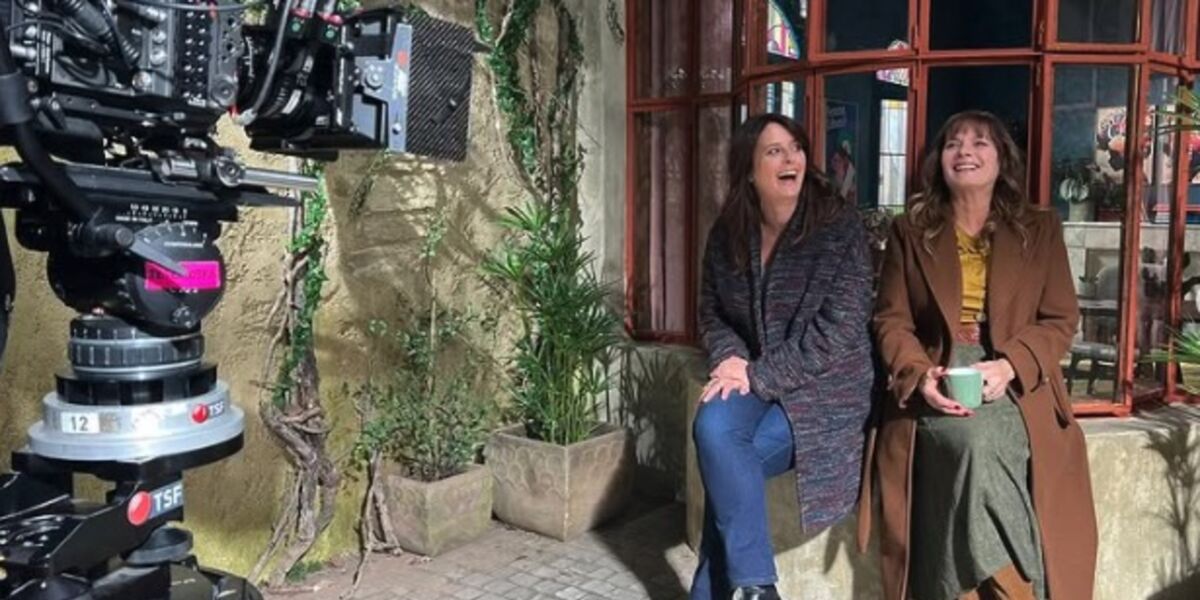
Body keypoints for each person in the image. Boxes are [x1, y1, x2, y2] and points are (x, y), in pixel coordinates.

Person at [864, 110, 1098, 600]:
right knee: (969, 443)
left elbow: (1060, 319)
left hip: (1016, 375)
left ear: (1001, 159)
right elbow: (891, 320)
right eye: (953, 143)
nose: (965, 151)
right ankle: (1018, 591)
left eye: (980, 142)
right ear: (939, 160)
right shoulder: (910, 230)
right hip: (940, 368)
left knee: (981, 448)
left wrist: (1012, 364)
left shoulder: (1040, 227)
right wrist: (919, 374)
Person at [692, 113, 874, 600]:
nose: (790, 158)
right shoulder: (728, 233)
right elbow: (711, 312)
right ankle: (759, 588)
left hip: (825, 388)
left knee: (728, 464)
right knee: (713, 427)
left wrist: (755, 374)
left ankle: (716, 592)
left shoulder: (840, 228)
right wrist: (730, 358)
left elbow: (838, 332)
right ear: (749, 170)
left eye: (795, 148)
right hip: (753, 374)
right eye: (774, 151)